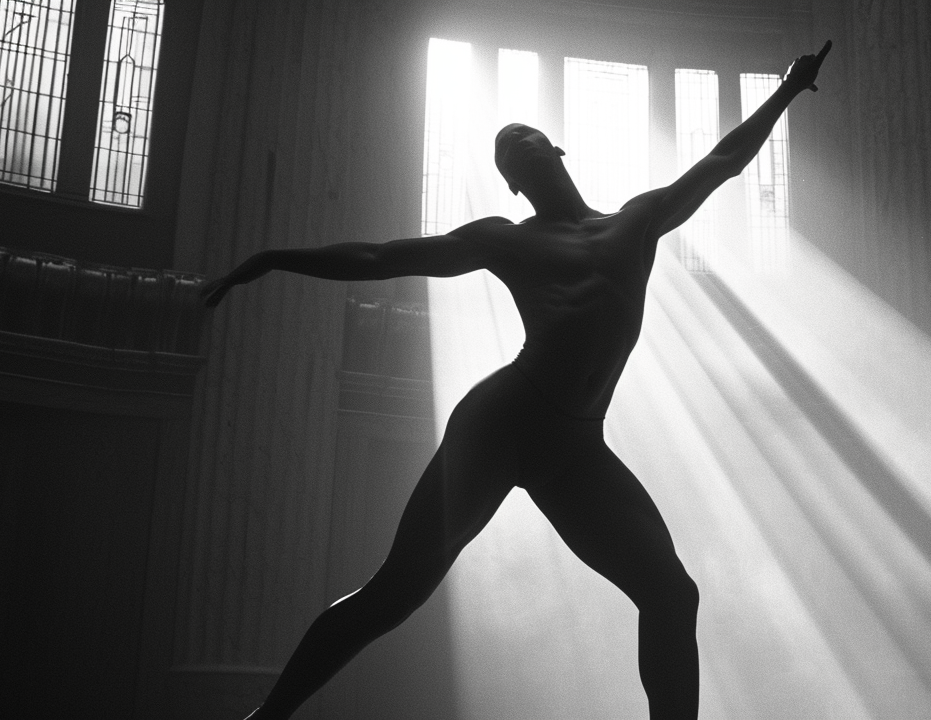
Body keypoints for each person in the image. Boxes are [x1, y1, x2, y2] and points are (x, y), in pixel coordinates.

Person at [202, 40, 830, 720]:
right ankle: (265, 717)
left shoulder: (637, 219)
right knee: (396, 592)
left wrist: (789, 89)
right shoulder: (506, 237)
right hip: (503, 421)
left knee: (673, 593)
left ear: (556, 150)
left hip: (574, 447)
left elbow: (722, 162)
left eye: (527, 138)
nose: (519, 150)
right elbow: (385, 256)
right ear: (510, 183)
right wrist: (270, 258)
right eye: (507, 154)